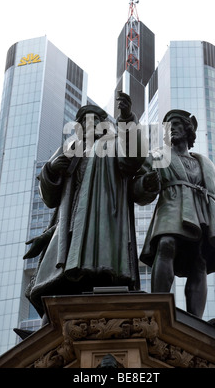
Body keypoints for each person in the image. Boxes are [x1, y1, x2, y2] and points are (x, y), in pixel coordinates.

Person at [24, 92, 147, 318]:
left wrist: (128, 117)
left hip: (104, 222)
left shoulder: (113, 144)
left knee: (101, 274)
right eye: (82, 122)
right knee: (55, 281)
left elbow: (134, 158)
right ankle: (50, 326)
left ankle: (105, 315)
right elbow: (49, 198)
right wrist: (50, 170)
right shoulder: (69, 149)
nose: (86, 125)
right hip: (69, 227)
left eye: (92, 120)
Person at [134, 109, 215, 319]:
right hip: (171, 209)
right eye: (169, 126)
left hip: (200, 214)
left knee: (199, 259)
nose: (172, 129)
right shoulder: (159, 156)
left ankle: (196, 320)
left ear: (188, 129)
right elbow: (139, 189)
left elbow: (214, 199)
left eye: (176, 124)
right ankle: (157, 308)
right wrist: (146, 184)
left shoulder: (204, 164)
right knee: (166, 244)